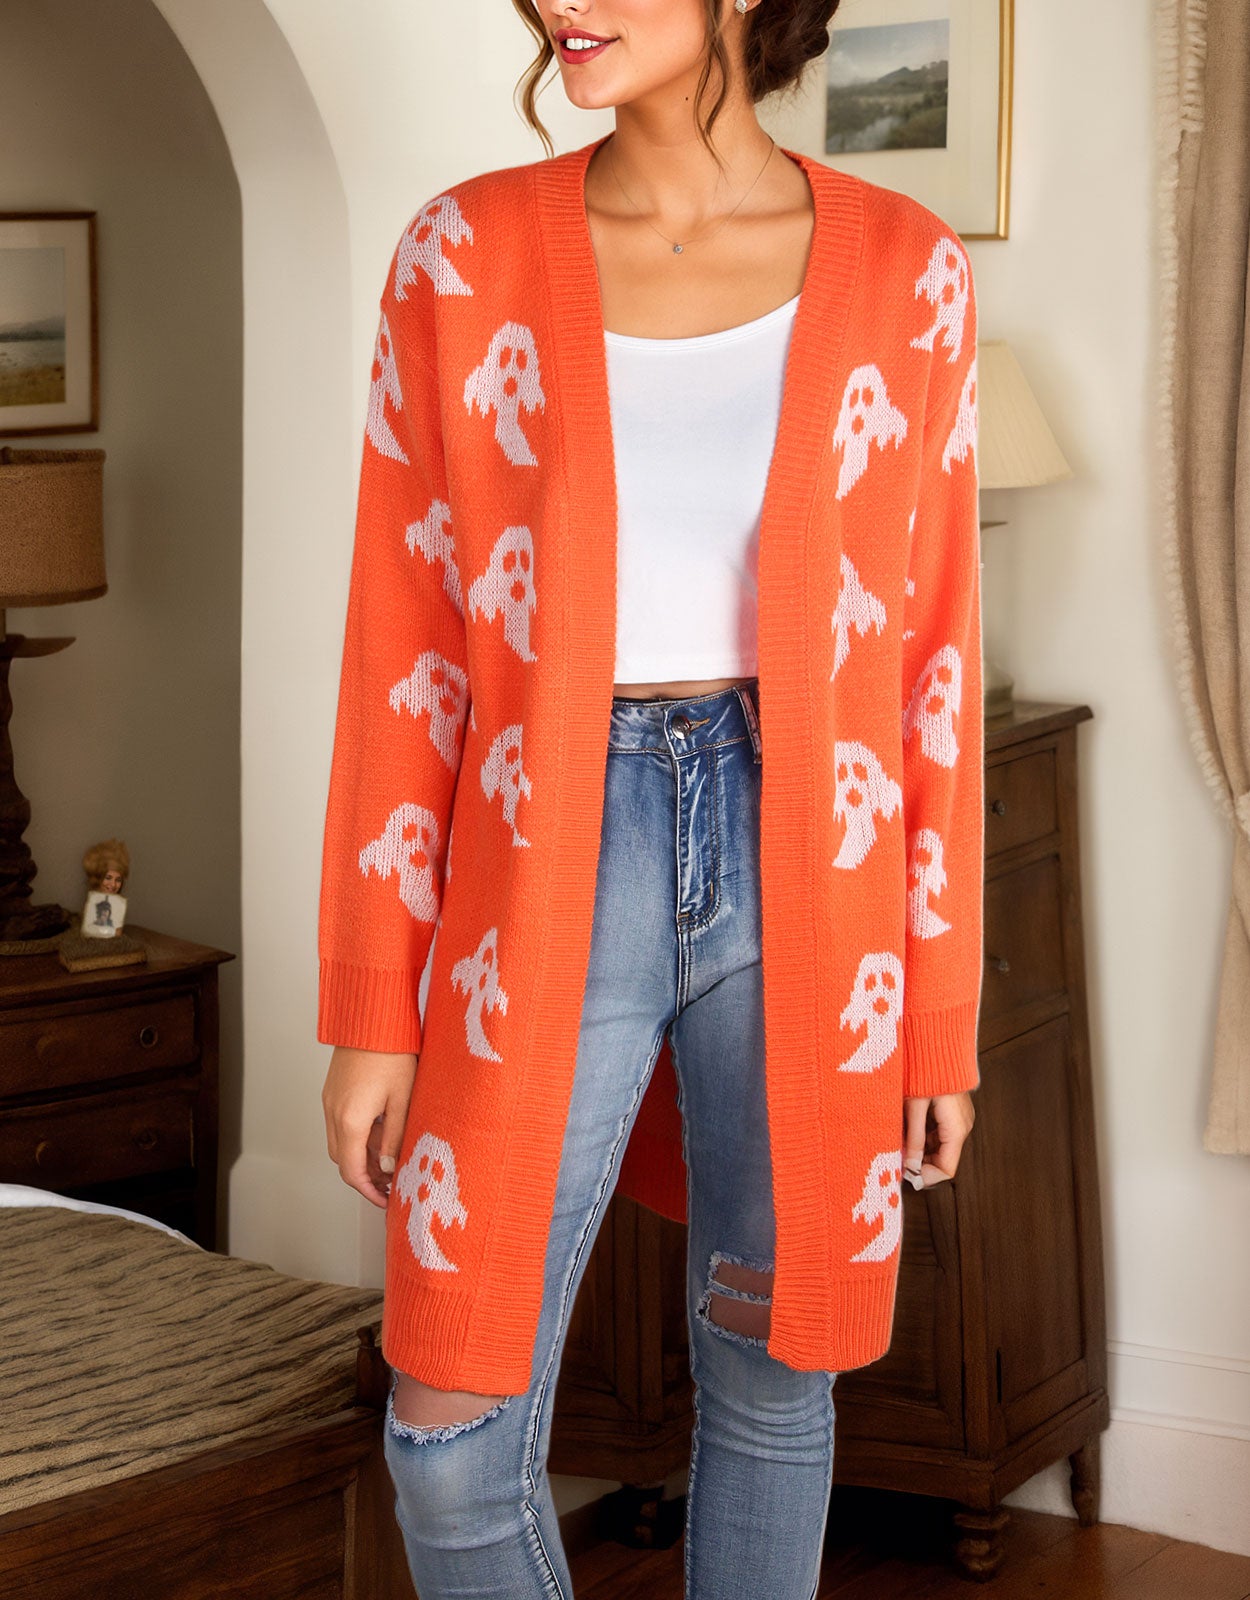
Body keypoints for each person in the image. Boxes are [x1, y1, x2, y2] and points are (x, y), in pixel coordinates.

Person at [317, 1, 983, 1594]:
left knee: (775, 1370)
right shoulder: (461, 256)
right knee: (447, 1428)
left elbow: (932, 662)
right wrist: (376, 1008)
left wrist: (934, 1014)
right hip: (548, 843)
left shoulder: (905, 267)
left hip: (810, 858)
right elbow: (404, 638)